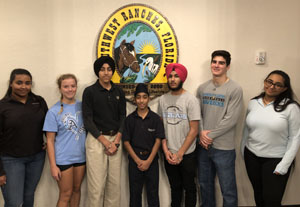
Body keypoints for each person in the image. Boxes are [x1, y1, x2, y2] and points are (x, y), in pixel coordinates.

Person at [241, 70, 300, 207]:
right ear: (265, 81)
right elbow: (246, 130)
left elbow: (295, 137)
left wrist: (284, 165)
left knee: (271, 200)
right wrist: (243, 151)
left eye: (278, 85)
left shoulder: (291, 107)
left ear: (284, 88)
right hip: (252, 157)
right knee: (259, 196)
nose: (272, 86)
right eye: (269, 81)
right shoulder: (253, 103)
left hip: (276, 160)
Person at [197, 50, 243, 207]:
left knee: (228, 190)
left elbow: (231, 119)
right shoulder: (202, 88)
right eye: (214, 62)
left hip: (224, 148)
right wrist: (201, 133)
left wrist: (209, 135)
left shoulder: (235, 89)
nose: (217, 65)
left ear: (227, 66)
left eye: (221, 63)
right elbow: (198, 114)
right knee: (205, 187)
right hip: (203, 147)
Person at [82, 55, 126, 207]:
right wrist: (105, 142)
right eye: (102, 70)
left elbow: (123, 116)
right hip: (96, 140)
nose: (106, 73)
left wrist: (116, 141)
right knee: (96, 187)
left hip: (116, 142)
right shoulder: (89, 91)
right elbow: (87, 119)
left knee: (114, 186)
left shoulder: (118, 91)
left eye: (109, 69)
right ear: (97, 72)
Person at [0, 68, 48, 207]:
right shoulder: (2, 106)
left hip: (37, 158)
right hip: (11, 160)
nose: (23, 86)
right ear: (11, 83)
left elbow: (49, 126)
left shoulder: (39, 101)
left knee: (28, 197)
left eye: (27, 83)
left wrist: (49, 142)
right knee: (14, 202)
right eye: (19, 83)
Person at [158, 63, 200, 207]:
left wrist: (181, 153)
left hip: (187, 154)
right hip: (169, 153)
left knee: (189, 188)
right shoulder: (163, 100)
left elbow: (194, 130)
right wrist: (165, 150)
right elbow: (161, 128)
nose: (173, 79)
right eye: (170, 76)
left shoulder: (191, 100)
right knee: (175, 188)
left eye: (176, 76)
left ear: (182, 78)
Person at [43, 74, 86, 207]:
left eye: (73, 86)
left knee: (76, 191)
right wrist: (53, 166)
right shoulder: (53, 111)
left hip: (81, 157)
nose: (70, 89)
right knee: (65, 194)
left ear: (76, 87)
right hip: (63, 159)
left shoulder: (83, 106)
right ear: (60, 88)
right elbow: (49, 141)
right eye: (66, 86)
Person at [123, 83, 165, 207]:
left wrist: (148, 161)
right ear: (134, 100)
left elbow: (158, 140)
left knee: (153, 194)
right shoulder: (129, 119)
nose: (141, 101)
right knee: (135, 195)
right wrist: (137, 160)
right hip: (134, 162)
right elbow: (126, 141)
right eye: (139, 97)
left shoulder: (156, 119)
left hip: (152, 162)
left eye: (144, 97)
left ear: (149, 98)